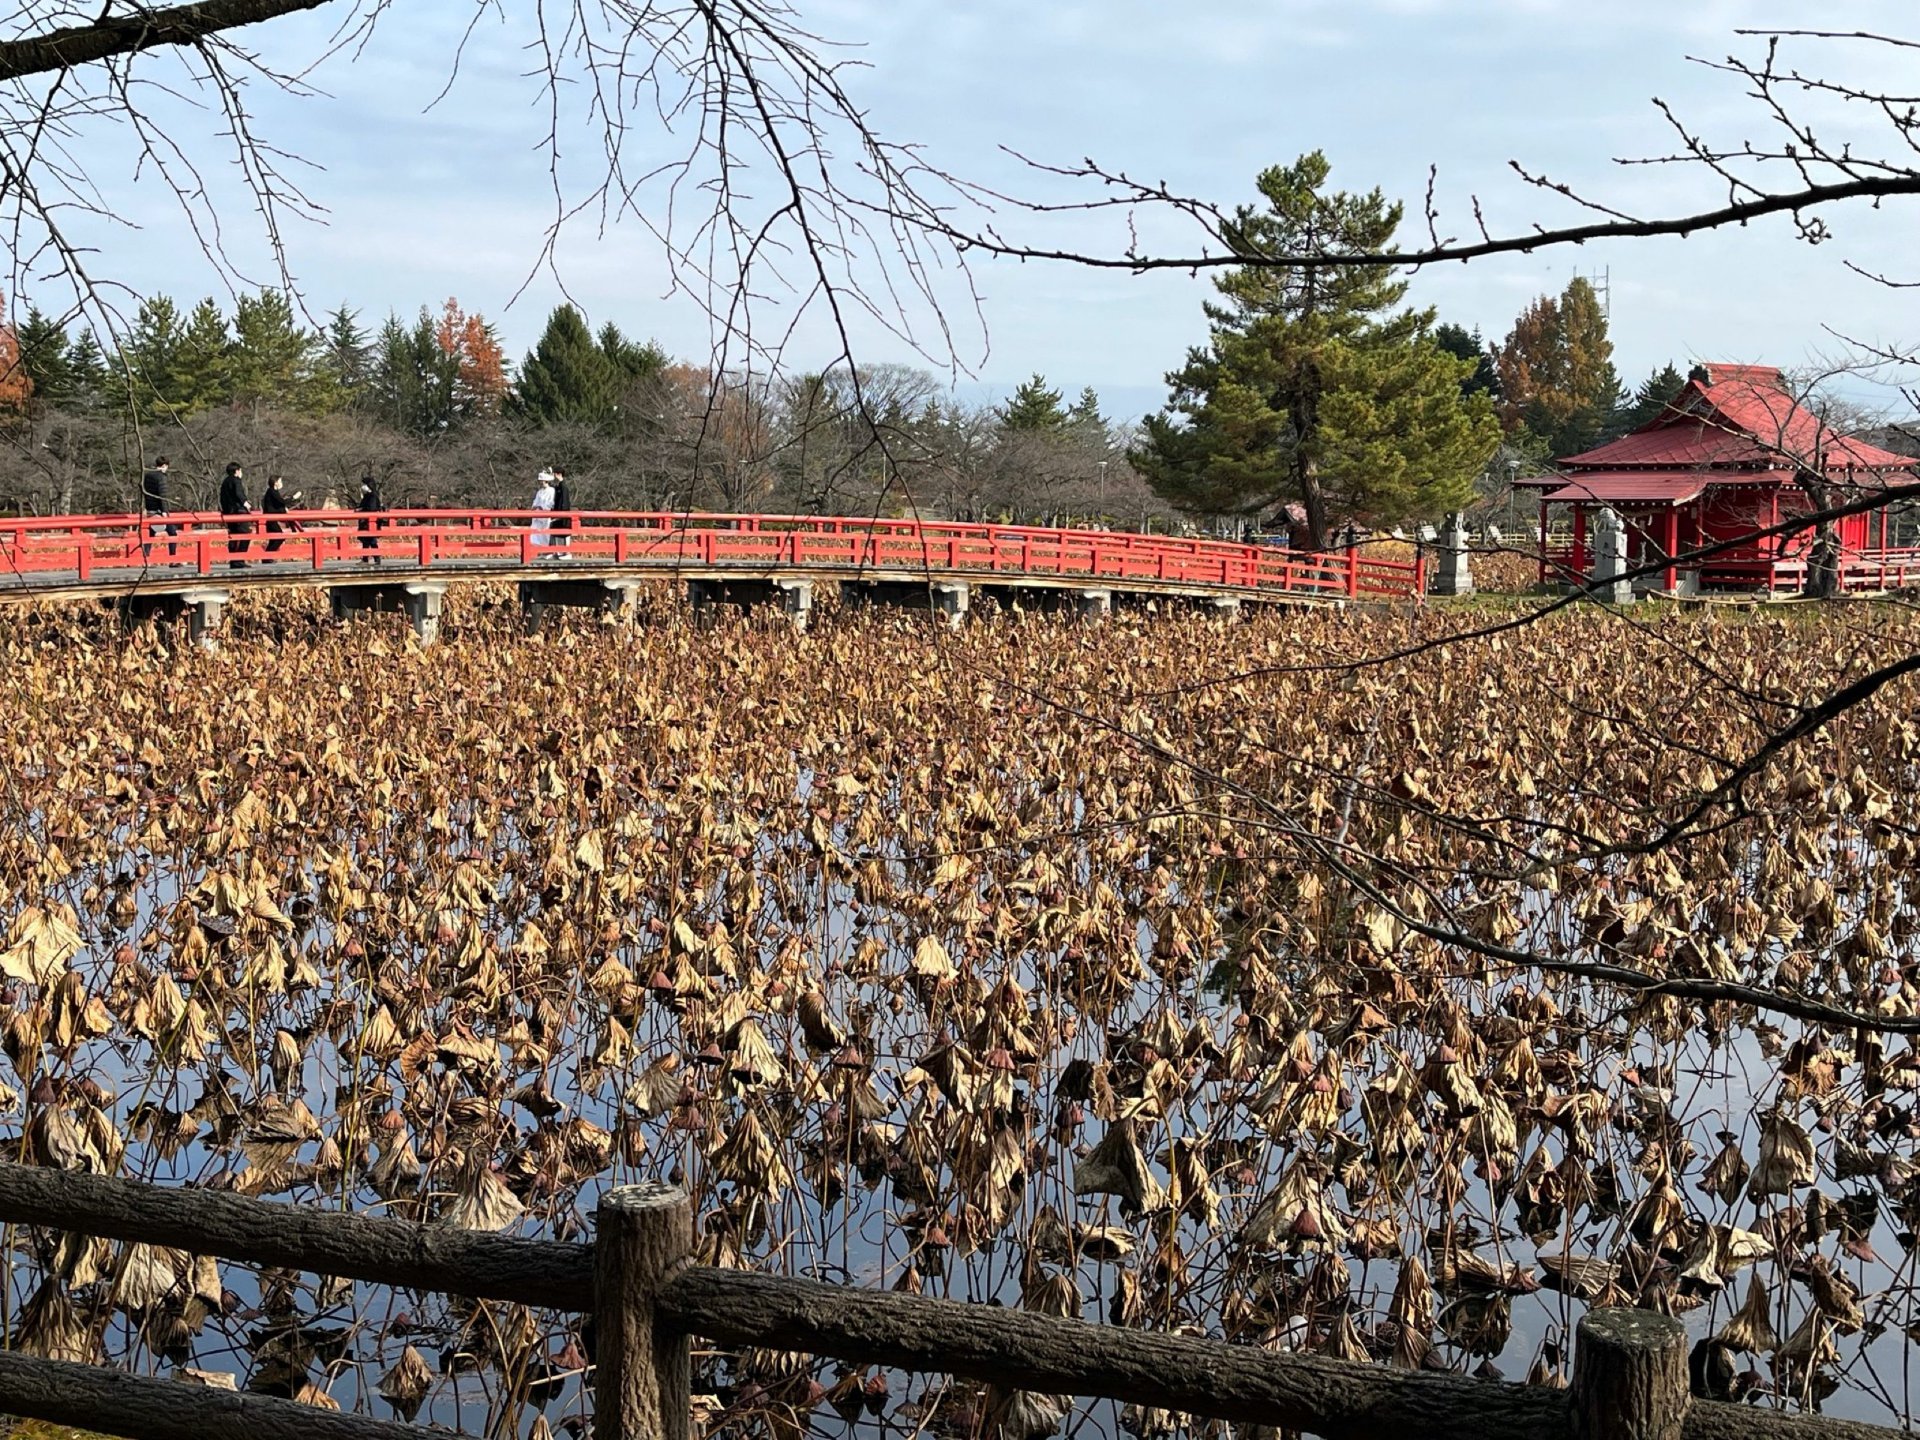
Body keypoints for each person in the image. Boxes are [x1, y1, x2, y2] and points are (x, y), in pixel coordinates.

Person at [140, 456, 176, 559]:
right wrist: (165, 511)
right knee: (172, 532)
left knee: (151, 533)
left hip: (150, 509)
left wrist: (145, 508)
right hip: (159, 511)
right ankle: (173, 558)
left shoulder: (147, 476)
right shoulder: (161, 477)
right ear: (165, 466)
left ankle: (146, 557)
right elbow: (162, 494)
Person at [218, 462, 252, 567]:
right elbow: (238, 493)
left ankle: (233, 560)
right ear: (237, 471)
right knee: (245, 534)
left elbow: (222, 498)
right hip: (238, 511)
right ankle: (239, 559)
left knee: (233, 536)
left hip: (228, 512)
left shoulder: (225, 482)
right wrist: (245, 503)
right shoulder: (236, 480)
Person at [261, 475, 298, 555]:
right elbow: (281, 502)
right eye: (280, 481)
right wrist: (293, 498)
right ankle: (268, 556)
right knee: (279, 537)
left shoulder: (273, 492)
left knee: (274, 538)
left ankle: (267, 557)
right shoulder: (272, 492)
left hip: (271, 518)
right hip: (270, 518)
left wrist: (283, 508)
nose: (281, 483)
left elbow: (278, 504)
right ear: (275, 483)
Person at [356, 471, 384, 561]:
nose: (362, 486)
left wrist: (361, 510)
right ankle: (366, 558)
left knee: (371, 540)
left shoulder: (372, 496)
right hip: (366, 522)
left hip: (370, 521)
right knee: (366, 540)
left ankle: (376, 558)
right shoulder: (367, 496)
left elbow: (371, 508)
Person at [531, 467, 556, 547]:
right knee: (535, 534)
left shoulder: (552, 490)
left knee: (545, 533)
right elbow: (535, 502)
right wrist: (535, 507)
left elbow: (551, 502)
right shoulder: (540, 492)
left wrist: (543, 507)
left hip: (545, 516)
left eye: (542, 481)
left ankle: (547, 550)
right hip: (537, 516)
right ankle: (539, 550)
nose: (541, 482)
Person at [550, 468, 573, 549]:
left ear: (558, 474)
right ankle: (557, 551)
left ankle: (565, 552)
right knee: (556, 532)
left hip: (562, 514)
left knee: (563, 533)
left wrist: (561, 514)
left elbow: (565, 502)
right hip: (558, 513)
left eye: (554, 474)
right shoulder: (559, 486)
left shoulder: (563, 487)